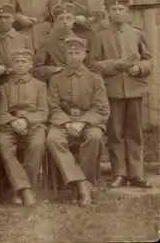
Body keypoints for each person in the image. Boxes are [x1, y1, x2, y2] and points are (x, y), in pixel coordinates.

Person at [92, 0, 153, 189]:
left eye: (121, 10)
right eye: (113, 10)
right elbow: (93, 64)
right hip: (112, 91)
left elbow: (148, 59)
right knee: (115, 133)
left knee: (134, 133)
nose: (117, 13)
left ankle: (136, 174)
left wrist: (140, 69)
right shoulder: (100, 36)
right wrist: (114, 64)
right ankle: (119, 173)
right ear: (108, 13)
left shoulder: (136, 34)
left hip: (134, 89)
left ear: (128, 13)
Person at [46, 36, 110, 206]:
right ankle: (82, 183)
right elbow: (53, 107)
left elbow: (101, 108)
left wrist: (82, 123)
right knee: (53, 139)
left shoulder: (95, 78)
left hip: (89, 121)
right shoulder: (56, 79)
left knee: (94, 137)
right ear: (64, 55)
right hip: (63, 122)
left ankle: (85, 181)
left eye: (77, 53)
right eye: (70, 53)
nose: (73, 56)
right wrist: (67, 123)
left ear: (84, 55)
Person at [0, 48, 47, 206]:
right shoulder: (4, 87)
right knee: (3, 144)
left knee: (37, 145)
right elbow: (1, 112)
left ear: (30, 65)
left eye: (23, 62)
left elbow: (44, 112)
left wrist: (25, 120)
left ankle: (22, 189)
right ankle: (25, 190)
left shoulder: (40, 86)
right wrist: (13, 122)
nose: (19, 65)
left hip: (33, 125)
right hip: (10, 125)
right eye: (16, 62)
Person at [0, 3, 31, 85]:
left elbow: (32, 64)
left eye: (7, 17)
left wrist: (10, 70)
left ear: (13, 19)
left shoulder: (24, 39)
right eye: (0, 17)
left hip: (21, 82)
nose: (3, 20)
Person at [33, 3, 80, 82]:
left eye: (68, 18)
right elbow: (36, 69)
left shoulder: (80, 41)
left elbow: (90, 67)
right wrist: (54, 70)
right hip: (57, 83)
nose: (65, 22)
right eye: (61, 19)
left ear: (73, 21)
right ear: (55, 21)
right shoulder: (47, 43)